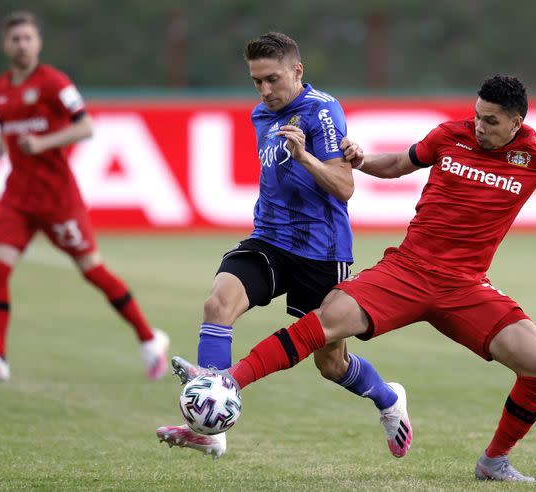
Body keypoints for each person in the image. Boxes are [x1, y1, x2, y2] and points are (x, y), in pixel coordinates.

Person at [212, 75, 536, 482]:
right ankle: (229, 383)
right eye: (476, 115)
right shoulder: (448, 136)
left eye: (491, 121)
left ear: (517, 122)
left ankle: (493, 462)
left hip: (465, 286)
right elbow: (395, 166)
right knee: (330, 320)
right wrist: (361, 161)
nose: (478, 126)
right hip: (407, 270)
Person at [155, 32, 411, 458]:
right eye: (257, 81)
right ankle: (210, 426)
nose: (265, 90)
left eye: (272, 79)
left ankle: (388, 399)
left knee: (331, 364)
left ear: (297, 71)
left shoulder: (322, 111)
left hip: (321, 251)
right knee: (218, 304)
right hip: (269, 239)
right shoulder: (261, 114)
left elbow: (345, 187)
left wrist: (306, 156)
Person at [0, 11, 170, 382]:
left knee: (92, 270)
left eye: (28, 38)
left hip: (58, 199)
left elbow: (86, 125)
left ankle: (149, 337)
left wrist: (43, 142)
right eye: (15, 39)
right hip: (18, 199)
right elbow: (5, 130)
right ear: (4, 45)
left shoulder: (54, 83)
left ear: (38, 43)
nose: (22, 45)